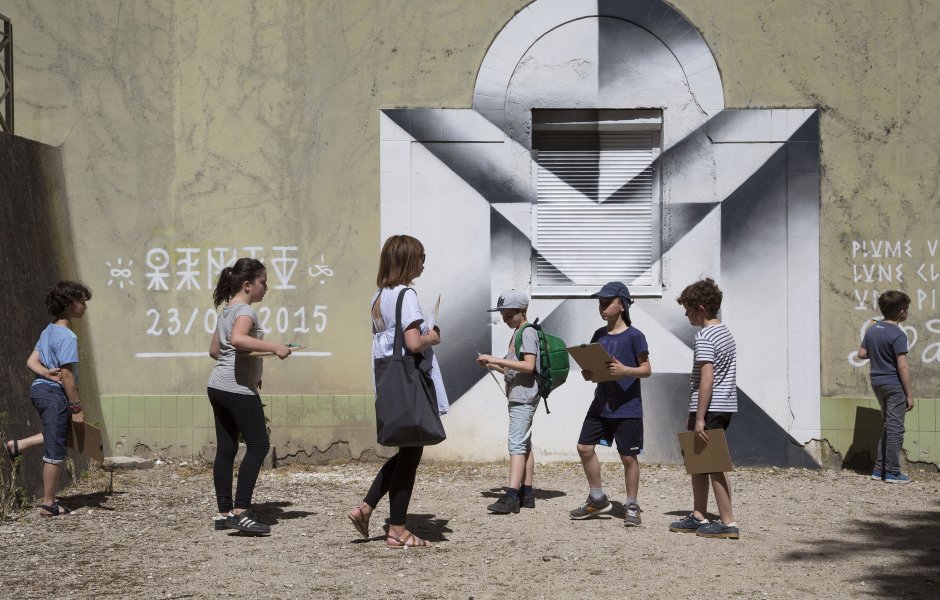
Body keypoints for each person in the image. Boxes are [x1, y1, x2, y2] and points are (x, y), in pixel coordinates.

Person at [347, 235, 441, 548]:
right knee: (411, 453)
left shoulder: (379, 297)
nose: (423, 262)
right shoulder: (406, 295)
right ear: (407, 260)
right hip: (407, 381)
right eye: (421, 256)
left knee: (406, 451)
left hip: (387, 381)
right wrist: (433, 336)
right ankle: (397, 529)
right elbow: (413, 342)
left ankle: (366, 508)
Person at [208, 258, 293, 535]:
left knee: (227, 448)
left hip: (218, 386)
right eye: (263, 282)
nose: (266, 287)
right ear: (248, 284)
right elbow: (238, 340)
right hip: (237, 390)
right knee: (258, 446)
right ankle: (241, 511)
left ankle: (224, 513)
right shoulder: (245, 311)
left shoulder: (226, 310)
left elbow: (215, 350)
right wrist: (275, 347)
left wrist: (254, 364)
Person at [2, 281, 91, 516]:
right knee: (55, 450)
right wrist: (77, 408)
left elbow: (32, 362)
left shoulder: (48, 330)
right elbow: (68, 377)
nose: (85, 306)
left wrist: (46, 374)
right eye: (82, 301)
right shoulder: (67, 337)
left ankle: (17, 446)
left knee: (57, 432)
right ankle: (48, 504)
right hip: (55, 395)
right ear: (69, 305)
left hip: (40, 391)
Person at [568, 282, 651, 527]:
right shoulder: (599, 335)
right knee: (584, 447)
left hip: (628, 407)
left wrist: (626, 370)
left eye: (607, 303)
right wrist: (589, 373)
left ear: (622, 305)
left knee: (628, 458)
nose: (602, 307)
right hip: (601, 404)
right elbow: (596, 369)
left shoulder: (636, 336)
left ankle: (632, 504)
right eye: (600, 303)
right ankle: (597, 497)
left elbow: (646, 370)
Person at [670, 278, 739, 539]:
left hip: (709, 408)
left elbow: (707, 378)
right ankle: (699, 515)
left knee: (713, 464)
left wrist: (699, 418)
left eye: (687, 309)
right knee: (699, 461)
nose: (686, 314)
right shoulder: (725, 333)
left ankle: (728, 522)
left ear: (700, 308)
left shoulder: (705, 336)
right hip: (721, 405)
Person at [477, 290, 540, 514]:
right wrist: (491, 364)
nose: (505, 320)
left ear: (522, 311)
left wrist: (495, 358)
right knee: (525, 443)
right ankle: (527, 492)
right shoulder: (518, 332)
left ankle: (512, 496)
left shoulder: (527, 332)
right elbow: (511, 368)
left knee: (516, 444)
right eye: (502, 316)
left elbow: (529, 366)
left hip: (524, 396)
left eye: (508, 315)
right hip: (519, 394)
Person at [857, 290, 914, 484]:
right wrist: (910, 394)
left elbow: (862, 354)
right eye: (907, 309)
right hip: (894, 385)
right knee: (896, 428)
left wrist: (879, 352)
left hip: (877, 382)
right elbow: (903, 366)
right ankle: (892, 472)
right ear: (901, 312)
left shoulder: (873, 329)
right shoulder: (898, 334)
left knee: (889, 425)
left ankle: (879, 468)